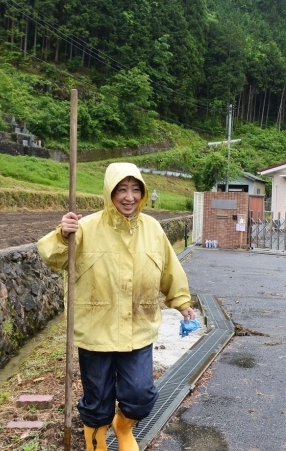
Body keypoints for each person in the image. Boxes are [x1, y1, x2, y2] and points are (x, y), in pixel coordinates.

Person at [37, 162, 195, 451]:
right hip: (95, 328)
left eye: (136, 190)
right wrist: (62, 234)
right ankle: (97, 445)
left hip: (138, 327)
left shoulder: (153, 229)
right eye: (121, 189)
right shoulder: (84, 227)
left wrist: (182, 302)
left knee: (141, 395)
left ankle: (123, 428)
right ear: (109, 191)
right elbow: (51, 256)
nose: (129, 197)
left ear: (143, 193)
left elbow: (169, 270)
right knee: (97, 402)